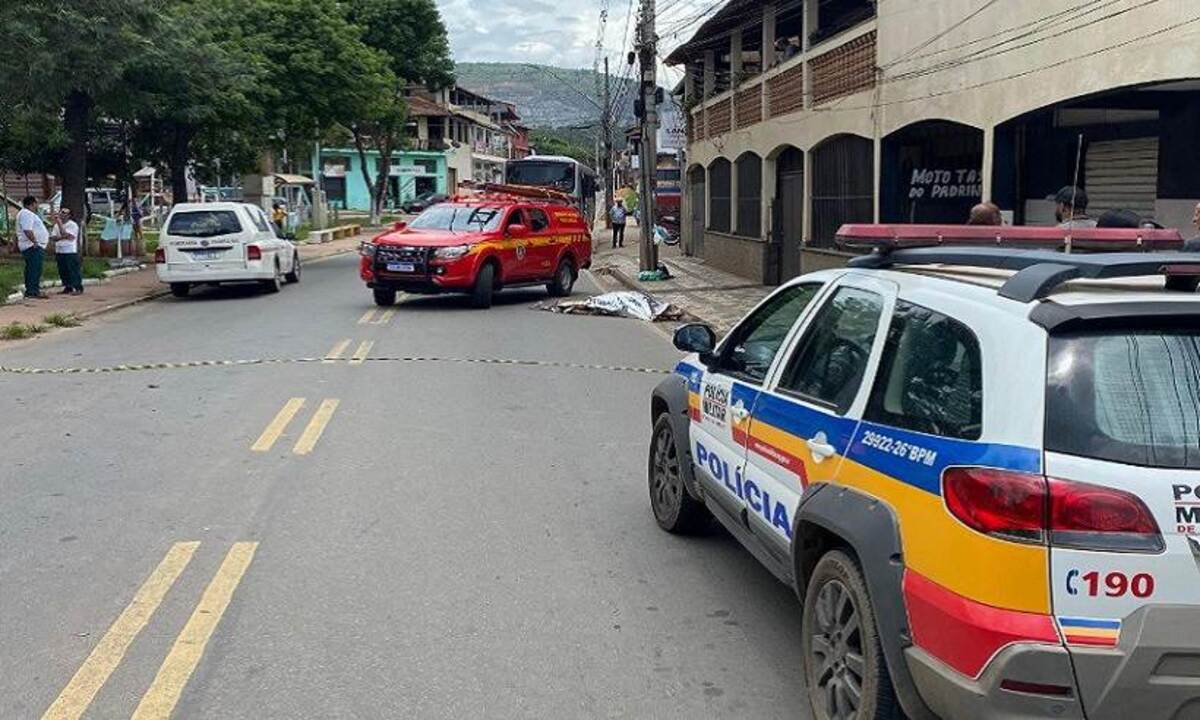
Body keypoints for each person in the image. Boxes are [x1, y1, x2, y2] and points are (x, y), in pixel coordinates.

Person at [15, 196, 49, 299]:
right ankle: (32, 291)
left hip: (33, 245)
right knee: (34, 268)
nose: (37, 206)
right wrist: (35, 241)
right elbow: (27, 230)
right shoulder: (26, 214)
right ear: (32, 203)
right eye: (36, 204)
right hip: (32, 246)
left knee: (34, 268)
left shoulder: (27, 214)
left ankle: (33, 289)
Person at [51, 208, 83, 295]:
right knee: (63, 270)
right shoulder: (56, 226)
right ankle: (68, 286)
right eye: (61, 212)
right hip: (59, 250)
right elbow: (53, 237)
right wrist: (62, 236)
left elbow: (68, 236)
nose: (61, 214)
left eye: (64, 213)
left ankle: (78, 287)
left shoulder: (72, 225)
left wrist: (60, 225)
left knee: (72, 269)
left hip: (69, 250)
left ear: (69, 215)